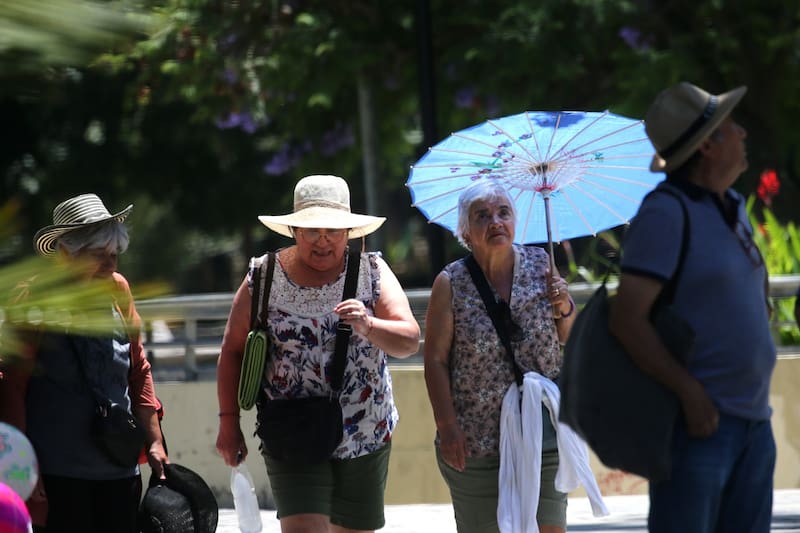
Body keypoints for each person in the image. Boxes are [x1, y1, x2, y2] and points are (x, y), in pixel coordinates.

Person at [609, 82, 776, 532]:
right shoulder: (666, 212)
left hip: (754, 423)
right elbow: (628, 320)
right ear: (707, 145)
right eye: (730, 127)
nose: (742, 133)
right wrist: (689, 392)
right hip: (699, 427)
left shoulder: (733, 206)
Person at [216, 174, 420, 533]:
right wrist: (228, 424)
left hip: (363, 431)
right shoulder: (262, 277)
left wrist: (369, 325)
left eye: (333, 231)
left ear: (348, 233)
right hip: (290, 432)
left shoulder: (371, 271)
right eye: (312, 231)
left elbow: (409, 340)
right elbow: (232, 351)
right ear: (295, 231)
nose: (323, 241)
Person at [0, 193, 168, 532]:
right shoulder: (34, 298)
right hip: (56, 472)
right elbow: (11, 383)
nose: (110, 265)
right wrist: (21, 467)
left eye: (114, 255)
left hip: (119, 466)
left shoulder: (119, 291)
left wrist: (154, 442)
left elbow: (138, 370)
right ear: (66, 255)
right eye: (98, 256)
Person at [423, 180, 581, 533]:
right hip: (476, 438)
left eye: (503, 213)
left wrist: (564, 305)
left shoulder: (542, 264)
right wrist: (448, 428)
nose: (495, 221)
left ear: (515, 221)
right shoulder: (450, 282)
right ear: (465, 230)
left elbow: (568, 336)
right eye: (483, 215)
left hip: (542, 431)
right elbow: (434, 361)